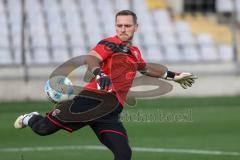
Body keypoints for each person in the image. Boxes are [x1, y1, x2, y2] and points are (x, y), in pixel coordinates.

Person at [14, 10, 197, 160]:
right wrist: (99, 73)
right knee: (43, 129)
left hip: (110, 111)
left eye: (127, 25)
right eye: (119, 25)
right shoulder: (111, 43)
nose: (123, 29)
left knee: (124, 154)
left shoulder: (134, 52)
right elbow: (92, 58)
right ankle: (31, 117)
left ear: (136, 27)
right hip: (89, 101)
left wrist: (175, 76)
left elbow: (146, 68)